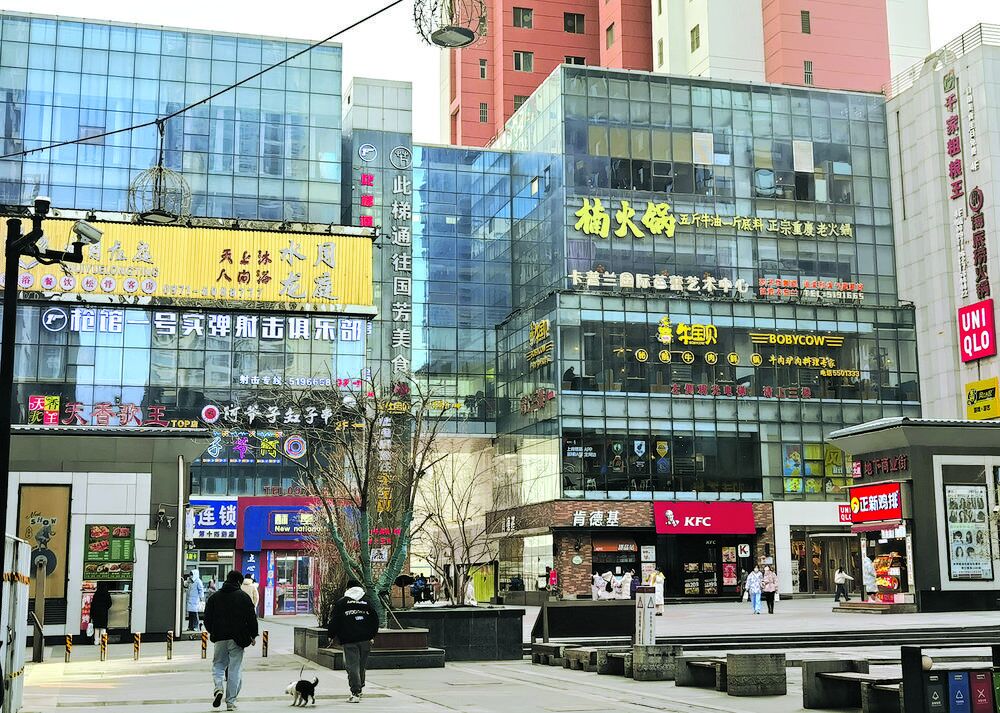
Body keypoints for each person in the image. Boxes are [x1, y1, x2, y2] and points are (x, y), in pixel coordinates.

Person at [204, 570, 258, 711]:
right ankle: (230, 702)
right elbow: (252, 618)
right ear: (239, 582)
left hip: (219, 637)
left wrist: (213, 631)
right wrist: (253, 635)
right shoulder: (243, 597)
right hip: (237, 639)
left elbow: (207, 619)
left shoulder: (215, 597)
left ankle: (218, 687)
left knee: (218, 665)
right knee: (235, 669)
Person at [328, 579, 380, 704]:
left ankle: (355, 692)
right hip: (366, 639)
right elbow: (375, 619)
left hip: (349, 639)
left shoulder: (342, 602)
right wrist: (372, 635)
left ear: (348, 588)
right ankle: (360, 687)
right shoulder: (367, 601)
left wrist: (331, 635)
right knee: (361, 665)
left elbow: (335, 620)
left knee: (352, 666)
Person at [90, 581, 112, 646]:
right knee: (103, 627)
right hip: (104, 612)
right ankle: (102, 641)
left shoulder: (96, 594)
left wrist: (92, 614)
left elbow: (93, 604)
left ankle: (96, 641)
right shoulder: (107, 594)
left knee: (96, 628)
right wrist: (105, 608)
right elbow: (110, 603)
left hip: (96, 613)